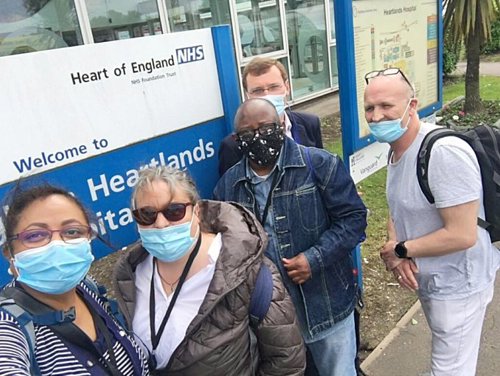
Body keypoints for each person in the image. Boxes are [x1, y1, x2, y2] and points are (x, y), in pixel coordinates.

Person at [213, 98, 367, 376]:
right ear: (237, 139)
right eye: (248, 133)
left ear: (282, 124)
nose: (258, 137)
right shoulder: (227, 186)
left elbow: (354, 220)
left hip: (326, 306)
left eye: (266, 128)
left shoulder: (320, 165)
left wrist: (315, 258)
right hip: (272, 320)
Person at [364, 67, 500, 376]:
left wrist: (400, 250)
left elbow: (462, 234)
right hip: (432, 280)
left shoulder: (443, 153)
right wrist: (396, 247)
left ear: (412, 106)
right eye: (370, 108)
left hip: (459, 284)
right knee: (448, 359)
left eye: (387, 106)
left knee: (451, 369)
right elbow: (397, 205)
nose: (376, 116)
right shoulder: (397, 150)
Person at [112, 166, 305, 375]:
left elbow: (286, 361)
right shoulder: (132, 273)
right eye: (146, 214)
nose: (160, 223)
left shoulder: (248, 271)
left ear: (196, 211)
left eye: (174, 211)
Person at [0, 183, 150, 375]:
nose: (57, 245)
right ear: (9, 253)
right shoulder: (9, 326)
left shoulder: (86, 288)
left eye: (72, 232)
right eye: (35, 235)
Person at [218, 56, 323, 176]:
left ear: (287, 87)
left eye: (274, 87)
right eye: (258, 91)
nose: (267, 95)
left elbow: (322, 171)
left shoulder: (309, 123)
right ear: (247, 96)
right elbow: (231, 190)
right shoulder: (233, 145)